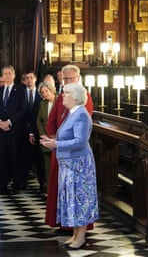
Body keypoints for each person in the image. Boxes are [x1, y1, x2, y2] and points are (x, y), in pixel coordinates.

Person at [40, 83, 99, 249]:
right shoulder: (71, 113)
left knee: (80, 199)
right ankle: (75, 235)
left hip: (79, 164)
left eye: (66, 94)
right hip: (69, 163)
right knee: (72, 199)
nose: (62, 96)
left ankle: (80, 237)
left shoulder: (81, 114)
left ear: (75, 97)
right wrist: (52, 142)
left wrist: (56, 144)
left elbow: (80, 141)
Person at [45, 64, 94, 229]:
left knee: (75, 191)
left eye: (70, 78)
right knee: (61, 188)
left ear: (78, 78)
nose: (66, 81)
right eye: (64, 78)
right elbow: (51, 119)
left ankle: (76, 230)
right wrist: (53, 137)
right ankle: (63, 223)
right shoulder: (62, 96)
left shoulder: (83, 97)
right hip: (60, 149)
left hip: (74, 153)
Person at [0, 65, 27, 195]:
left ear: (14, 75)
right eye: (5, 74)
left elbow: (23, 110)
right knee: (1, 159)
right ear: (1, 76)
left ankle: (16, 185)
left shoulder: (21, 90)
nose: (7, 76)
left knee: (15, 158)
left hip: (14, 131)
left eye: (9, 73)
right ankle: (2, 185)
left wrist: (9, 122)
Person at [23, 71, 45, 192]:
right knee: (23, 157)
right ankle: (23, 181)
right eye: (27, 78)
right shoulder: (21, 93)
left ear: (35, 79)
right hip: (22, 131)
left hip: (38, 131)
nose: (29, 80)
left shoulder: (41, 93)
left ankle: (42, 183)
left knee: (39, 159)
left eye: (31, 77)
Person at [36, 82, 57, 191]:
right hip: (46, 139)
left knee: (57, 168)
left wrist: (54, 137)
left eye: (46, 91)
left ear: (52, 90)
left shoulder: (59, 101)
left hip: (57, 139)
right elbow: (39, 121)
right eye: (42, 92)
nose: (44, 94)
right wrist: (43, 135)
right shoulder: (42, 104)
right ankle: (50, 190)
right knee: (48, 167)